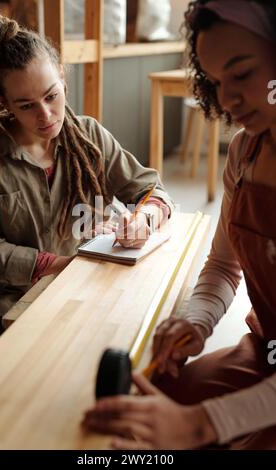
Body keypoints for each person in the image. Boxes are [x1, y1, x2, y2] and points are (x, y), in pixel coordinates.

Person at [83, 0, 276, 450]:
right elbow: (225, 268)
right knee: (151, 409)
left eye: (242, 73)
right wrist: (196, 322)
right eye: (216, 81)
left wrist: (200, 426)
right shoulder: (246, 153)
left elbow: (201, 425)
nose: (226, 99)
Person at [0, 2, 173, 353]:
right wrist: (58, 265)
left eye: (52, 95)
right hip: (0, 304)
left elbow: (150, 188)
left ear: (63, 78)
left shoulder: (88, 137)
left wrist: (144, 218)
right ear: (4, 102)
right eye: (26, 105)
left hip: (74, 286)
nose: (46, 114)